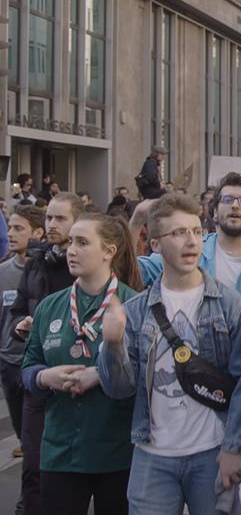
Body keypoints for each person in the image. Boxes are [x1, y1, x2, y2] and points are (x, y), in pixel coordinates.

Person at [97, 194, 241, 514]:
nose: (191, 241)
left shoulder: (230, 305)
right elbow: (118, 389)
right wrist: (113, 344)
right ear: (154, 244)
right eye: (179, 233)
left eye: (197, 231)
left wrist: (233, 447)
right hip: (152, 455)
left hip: (212, 452)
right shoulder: (136, 312)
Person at [22, 213, 143, 514]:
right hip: (61, 451)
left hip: (117, 452)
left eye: (82, 242)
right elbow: (28, 366)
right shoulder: (51, 306)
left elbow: (145, 375)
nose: (71, 250)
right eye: (71, 242)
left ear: (108, 251)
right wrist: (43, 377)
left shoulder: (134, 305)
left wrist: (101, 373)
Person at [10, 192, 85, 515]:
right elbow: (17, 309)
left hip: (80, 380)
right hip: (40, 379)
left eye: (60, 218)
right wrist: (21, 325)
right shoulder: (37, 262)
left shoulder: (87, 265)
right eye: (49, 218)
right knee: (35, 463)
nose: (51, 224)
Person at [138, 174, 241, 299]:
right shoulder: (191, 251)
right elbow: (130, 270)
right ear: (214, 212)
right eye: (227, 199)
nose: (235, 205)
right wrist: (134, 224)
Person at [0, 205, 45, 467]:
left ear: (37, 233)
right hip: (9, 362)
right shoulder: (3, 272)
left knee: (37, 436)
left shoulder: (48, 271)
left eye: (19, 228)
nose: (11, 233)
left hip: (37, 365)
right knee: (21, 428)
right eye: (10, 227)